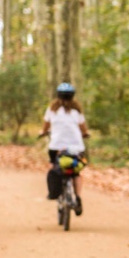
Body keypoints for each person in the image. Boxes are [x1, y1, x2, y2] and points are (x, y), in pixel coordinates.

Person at [39, 82, 90, 213]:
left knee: (54, 167)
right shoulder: (77, 111)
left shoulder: (52, 110)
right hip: (76, 148)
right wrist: (85, 134)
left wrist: (43, 132)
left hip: (56, 147)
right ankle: (77, 197)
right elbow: (83, 128)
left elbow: (45, 126)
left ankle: (54, 191)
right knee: (76, 173)